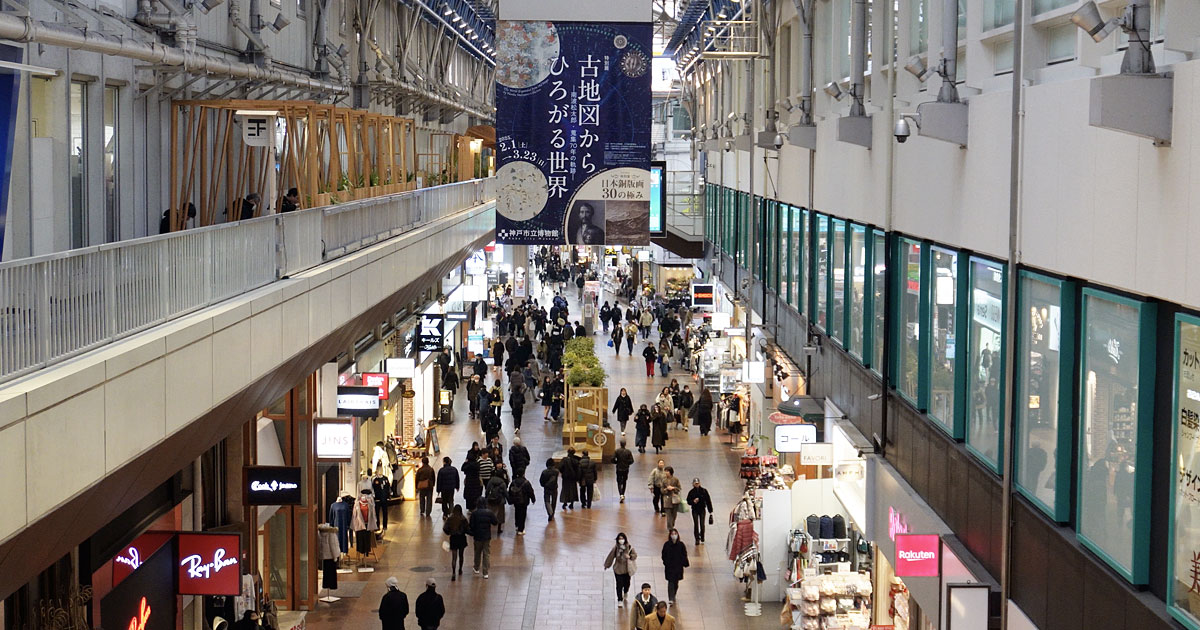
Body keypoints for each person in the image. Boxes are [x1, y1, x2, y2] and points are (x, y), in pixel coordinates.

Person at [603, 532, 639, 606]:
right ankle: (620, 599)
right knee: (619, 585)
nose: (621, 540)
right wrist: (607, 565)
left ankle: (625, 592)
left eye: (622, 538)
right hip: (618, 569)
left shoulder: (629, 547)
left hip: (627, 570)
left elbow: (635, 555)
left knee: (627, 583)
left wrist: (629, 557)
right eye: (619, 539)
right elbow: (611, 556)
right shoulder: (616, 548)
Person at [469, 498, 498, 578]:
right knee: (486, 554)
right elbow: (495, 522)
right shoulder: (489, 513)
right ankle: (485, 572)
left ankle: (476, 568)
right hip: (486, 536)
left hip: (477, 536)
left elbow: (471, 525)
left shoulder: (474, 513)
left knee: (477, 552)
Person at [660, 528, 689, 606]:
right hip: (669, 567)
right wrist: (666, 562)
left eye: (675, 534)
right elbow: (663, 555)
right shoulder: (667, 545)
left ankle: (674, 594)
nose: (674, 535)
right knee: (670, 582)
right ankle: (670, 598)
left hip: (678, 567)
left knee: (676, 583)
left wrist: (684, 562)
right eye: (672, 534)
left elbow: (684, 554)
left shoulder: (681, 545)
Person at [442, 505, 469, 579]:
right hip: (461, 538)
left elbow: (445, 528)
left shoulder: (450, 518)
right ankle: (460, 569)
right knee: (461, 555)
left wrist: (449, 533)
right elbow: (467, 529)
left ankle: (453, 573)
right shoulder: (463, 519)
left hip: (453, 538)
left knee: (454, 557)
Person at [507, 470, 536, 535]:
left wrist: (510, 499)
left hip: (516, 501)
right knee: (523, 515)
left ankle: (517, 525)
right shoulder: (526, 483)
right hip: (524, 501)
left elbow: (510, 491)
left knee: (517, 512)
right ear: (523, 474)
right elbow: (530, 492)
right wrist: (533, 499)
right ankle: (521, 529)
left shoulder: (513, 482)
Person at [686, 478, 714, 545]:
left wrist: (710, 510)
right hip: (695, 510)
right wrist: (693, 501)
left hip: (702, 509)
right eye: (695, 483)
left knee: (702, 524)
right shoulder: (691, 492)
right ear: (693, 484)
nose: (697, 485)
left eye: (698, 483)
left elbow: (708, 501)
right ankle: (697, 538)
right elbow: (688, 501)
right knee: (696, 524)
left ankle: (702, 536)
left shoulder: (704, 491)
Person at [485, 463, 509, 535]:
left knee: (490, 513)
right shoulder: (502, 483)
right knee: (500, 514)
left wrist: (486, 497)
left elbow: (487, 490)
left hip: (491, 499)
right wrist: (509, 500)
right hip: (500, 500)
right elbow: (505, 493)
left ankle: (488, 527)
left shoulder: (491, 480)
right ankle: (499, 529)